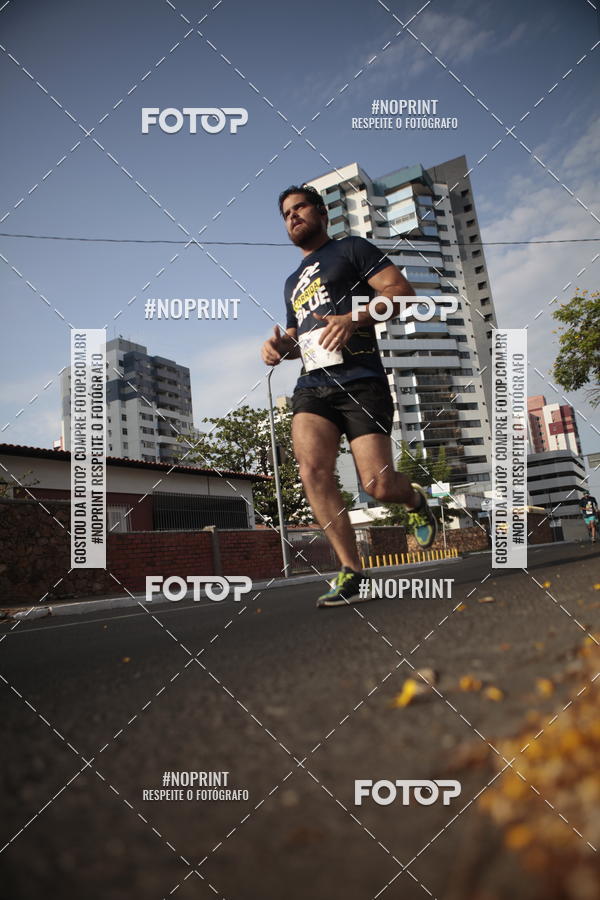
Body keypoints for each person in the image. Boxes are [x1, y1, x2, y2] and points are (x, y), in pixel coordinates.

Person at [260, 184, 438, 607]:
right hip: (313, 385)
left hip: (361, 379)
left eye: (300, 207)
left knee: (378, 485)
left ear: (322, 213)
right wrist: (280, 347)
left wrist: (353, 318)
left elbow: (400, 293)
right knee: (312, 471)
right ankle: (352, 572)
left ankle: (413, 498)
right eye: (286, 213)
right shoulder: (292, 282)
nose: (292, 216)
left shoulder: (352, 249)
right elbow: (296, 335)